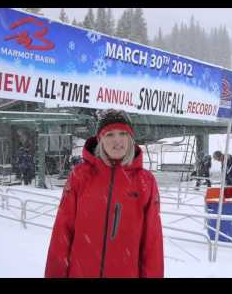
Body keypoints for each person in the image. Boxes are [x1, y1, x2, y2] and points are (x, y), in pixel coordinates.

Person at [45, 109, 164, 278]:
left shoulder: (145, 182)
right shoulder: (80, 176)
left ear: (131, 139)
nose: (117, 140)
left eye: (123, 133)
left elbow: (152, 243)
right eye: (109, 135)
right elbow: (62, 231)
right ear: (100, 140)